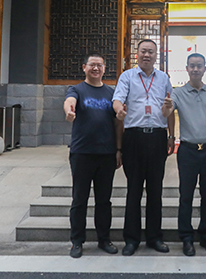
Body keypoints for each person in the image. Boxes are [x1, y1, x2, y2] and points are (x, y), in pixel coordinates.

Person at [113, 39, 175, 256]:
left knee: (155, 190)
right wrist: (119, 110)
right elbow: (117, 100)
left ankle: (154, 237)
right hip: (134, 138)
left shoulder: (163, 78)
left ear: (157, 55)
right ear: (136, 54)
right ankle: (131, 239)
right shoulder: (127, 76)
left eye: (151, 52)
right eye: (143, 51)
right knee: (134, 190)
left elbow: (169, 109)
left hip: (157, 137)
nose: (146, 55)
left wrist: (171, 135)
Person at [162, 53, 206, 256]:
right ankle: (186, 237)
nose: (196, 69)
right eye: (192, 66)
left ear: (205, 68)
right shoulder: (178, 93)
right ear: (187, 69)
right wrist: (166, 109)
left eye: (199, 66)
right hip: (188, 151)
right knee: (186, 196)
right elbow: (167, 113)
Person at [63, 53, 122, 258]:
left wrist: (118, 149)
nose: (96, 68)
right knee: (79, 199)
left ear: (105, 69)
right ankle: (77, 241)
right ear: (84, 67)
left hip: (106, 154)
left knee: (104, 201)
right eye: (92, 65)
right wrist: (69, 111)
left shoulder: (111, 93)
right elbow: (69, 102)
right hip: (82, 153)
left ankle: (104, 239)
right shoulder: (77, 89)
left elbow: (117, 123)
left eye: (99, 65)